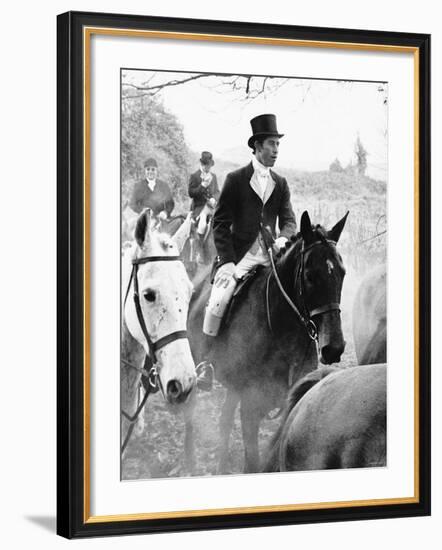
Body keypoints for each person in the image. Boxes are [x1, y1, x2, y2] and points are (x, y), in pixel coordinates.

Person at [197, 114, 297, 389]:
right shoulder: (236, 179)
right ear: (257, 146)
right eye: (272, 144)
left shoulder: (281, 182)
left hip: (272, 257)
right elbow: (219, 223)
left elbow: (289, 220)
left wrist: (284, 239)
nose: (276, 150)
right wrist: (227, 262)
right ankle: (206, 362)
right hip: (240, 257)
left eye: (278, 144)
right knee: (219, 297)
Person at [188, 151, 220, 238]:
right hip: (200, 207)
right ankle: (199, 247)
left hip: (212, 206)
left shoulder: (213, 176)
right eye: (207, 165)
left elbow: (217, 191)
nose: (209, 168)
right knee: (202, 225)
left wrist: (214, 198)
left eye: (209, 165)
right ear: (202, 164)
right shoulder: (194, 176)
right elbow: (191, 193)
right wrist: (202, 186)